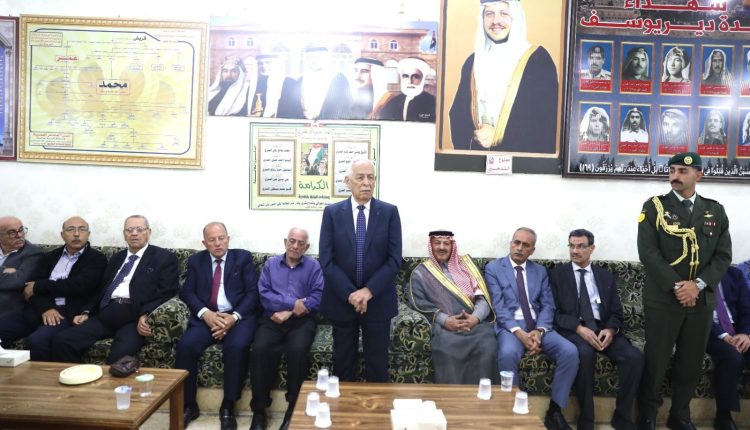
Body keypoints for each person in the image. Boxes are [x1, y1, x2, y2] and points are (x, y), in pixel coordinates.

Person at [637, 152, 731, 430]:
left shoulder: (715, 210)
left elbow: (723, 256)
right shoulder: (654, 207)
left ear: (698, 175)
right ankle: (648, 415)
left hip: (700, 301)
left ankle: (680, 415)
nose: (675, 176)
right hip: (664, 298)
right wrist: (679, 286)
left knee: (690, 363)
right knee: (656, 360)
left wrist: (697, 285)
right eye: (672, 170)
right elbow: (648, 252)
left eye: (682, 171)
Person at [51, 215, 179, 364]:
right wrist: (87, 312)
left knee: (119, 358)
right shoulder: (117, 258)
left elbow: (167, 292)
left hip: (133, 317)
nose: (134, 233)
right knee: (62, 341)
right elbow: (100, 289)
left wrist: (146, 314)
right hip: (106, 314)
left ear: (148, 232)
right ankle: (82, 376)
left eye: (139, 229)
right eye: (129, 230)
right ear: (124, 234)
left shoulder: (164, 258)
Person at [485, 227, 578, 430]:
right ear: (510, 243)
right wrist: (520, 334)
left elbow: (548, 305)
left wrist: (539, 331)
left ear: (532, 250)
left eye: (525, 245)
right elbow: (499, 307)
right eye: (516, 242)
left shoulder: (540, 271)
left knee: (570, 351)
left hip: (538, 326)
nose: (519, 248)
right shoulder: (494, 268)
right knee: (507, 353)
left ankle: (555, 412)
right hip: (510, 327)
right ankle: (511, 410)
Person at [549, 229, 643, 430]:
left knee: (634, 358)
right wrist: (578, 328)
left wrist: (611, 330)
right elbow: (554, 313)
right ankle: (586, 421)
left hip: (602, 328)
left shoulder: (604, 276)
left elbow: (616, 312)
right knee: (585, 354)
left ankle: (622, 417)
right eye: (571, 245)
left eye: (580, 246)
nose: (574, 251)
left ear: (592, 248)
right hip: (575, 330)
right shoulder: (557, 275)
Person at [318, 159, 402, 382]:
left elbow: (394, 260)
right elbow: (327, 260)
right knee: (343, 365)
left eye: (371, 177)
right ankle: (344, 406)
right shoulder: (332, 213)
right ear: (348, 181)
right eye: (360, 177)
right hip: (341, 301)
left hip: (378, 301)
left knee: (377, 366)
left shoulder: (389, 212)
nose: (366, 182)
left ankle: (377, 407)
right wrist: (351, 294)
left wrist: (368, 291)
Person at [176, 222, 257, 430]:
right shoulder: (196, 261)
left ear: (228, 239)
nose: (218, 243)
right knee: (185, 347)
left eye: (221, 238)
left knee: (236, 347)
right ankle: (189, 405)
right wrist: (206, 314)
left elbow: (252, 293)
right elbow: (187, 292)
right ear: (205, 243)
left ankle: (228, 406)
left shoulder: (243, 258)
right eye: (212, 240)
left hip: (237, 318)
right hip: (207, 317)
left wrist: (233, 317)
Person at [449, 0, 558, 152]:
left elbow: (545, 121)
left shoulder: (538, 59)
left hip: (520, 161)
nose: (496, 21)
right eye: (489, 14)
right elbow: (458, 114)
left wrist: (500, 137)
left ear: (515, 17)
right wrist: (476, 136)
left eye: (504, 13)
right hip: (478, 159)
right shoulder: (473, 61)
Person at [0, 216, 107, 360]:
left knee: (37, 341)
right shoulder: (49, 256)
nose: (76, 234)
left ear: (88, 234)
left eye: (82, 230)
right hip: (38, 309)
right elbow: (29, 288)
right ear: (62, 235)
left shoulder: (97, 258)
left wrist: (39, 286)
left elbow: (80, 285)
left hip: (66, 313)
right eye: (70, 229)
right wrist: (46, 308)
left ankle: (43, 375)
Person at [249, 227, 323, 430]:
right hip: (272, 319)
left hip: (302, 320)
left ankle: (293, 409)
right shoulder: (271, 264)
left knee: (298, 351)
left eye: (301, 243)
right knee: (260, 349)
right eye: (292, 241)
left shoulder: (314, 266)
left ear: (306, 247)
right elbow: (264, 294)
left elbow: (317, 297)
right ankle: (259, 411)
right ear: (285, 242)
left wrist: (290, 312)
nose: (295, 246)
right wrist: (293, 304)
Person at [407, 230, 498, 384]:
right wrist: (445, 320)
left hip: (475, 326)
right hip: (445, 328)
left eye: (446, 243)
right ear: (431, 245)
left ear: (452, 246)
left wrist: (475, 318)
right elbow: (419, 303)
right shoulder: (421, 273)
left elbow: (483, 298)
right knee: (447, 350)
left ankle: (484, 395)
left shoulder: (468, 267)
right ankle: (453, 397)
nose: (442, 247)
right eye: (437, 243)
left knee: (488, 346)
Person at [705, 266, 750, 430]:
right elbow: (698, 314)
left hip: (737, 331)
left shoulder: (734, 274)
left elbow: (747, 309)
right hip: (708, 332)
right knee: (732, 357)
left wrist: (745, 333)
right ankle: (723, 417)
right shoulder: (694, 275)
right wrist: (724, 336)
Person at [276, 46, 352, 120]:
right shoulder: (298, 81)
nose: (314, 60)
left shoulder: (338, 80)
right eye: (310, 57)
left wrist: (318, 114)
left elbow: (342, 109)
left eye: (318, 57)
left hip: (329, 125)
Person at [0, 216, 43, 319]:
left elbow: (18, 280)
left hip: (7, 308)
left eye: (21, 230)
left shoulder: (33, 253)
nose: (19, 235)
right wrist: (2, 270)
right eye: (12, 232)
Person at [376, 57, 435, 122]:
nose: (410, 81)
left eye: (415, 76)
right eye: (406, 76)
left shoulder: (433, 102)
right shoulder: (393, 102)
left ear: (423, 78)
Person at [249, 54, 283, 118]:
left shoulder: (284, 83)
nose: (264, 66)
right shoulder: (253, 84)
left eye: (268, 63)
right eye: (260, 64)